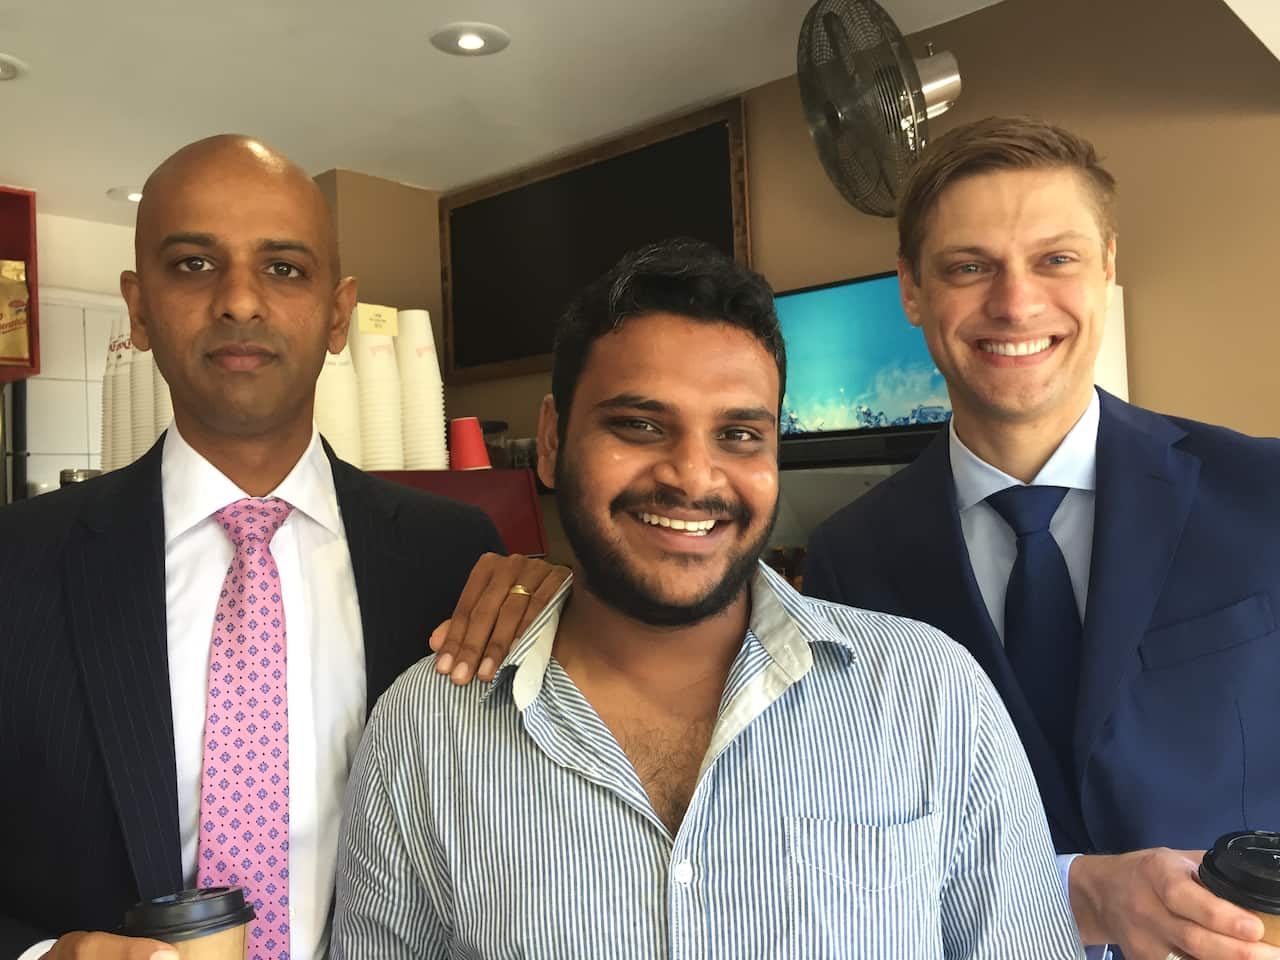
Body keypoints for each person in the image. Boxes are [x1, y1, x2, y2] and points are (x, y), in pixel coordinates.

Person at [330, 238, 1084, 959]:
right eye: (640, 425)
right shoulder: (422, 736)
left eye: (739, 435)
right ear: (553, 442)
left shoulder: (932, 698)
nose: (693, 476)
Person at [0, 135, 558, 960]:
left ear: (337, 314)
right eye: (193, 264)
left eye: (284, 268)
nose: (239, 301)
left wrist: (567, 617)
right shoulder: (17, 563)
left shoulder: (452, 556)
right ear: (139, 308)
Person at [802, 117, 1280, 960]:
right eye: (969, 267)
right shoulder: (851, 558)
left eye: (1055, 259)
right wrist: (1077, 892)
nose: (1016, 304)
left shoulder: (1263, 491)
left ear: (1107, 267)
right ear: (911, 290)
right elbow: (850, 830)